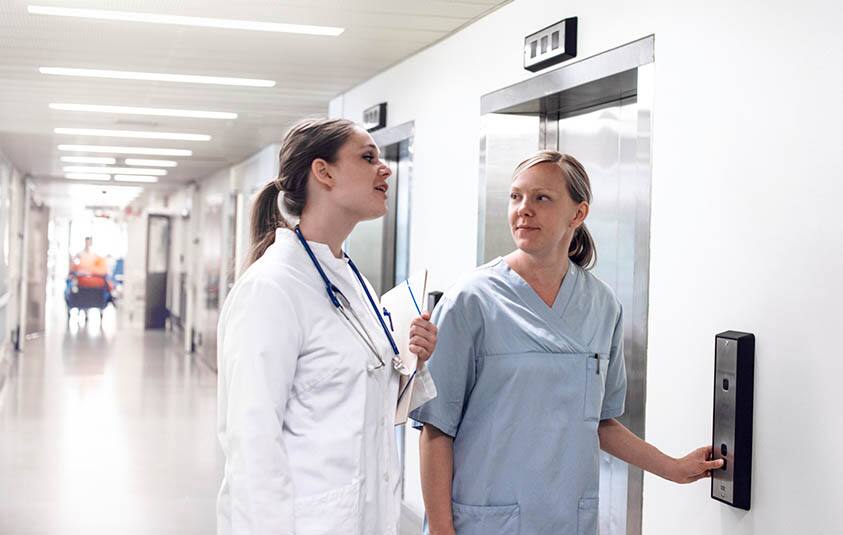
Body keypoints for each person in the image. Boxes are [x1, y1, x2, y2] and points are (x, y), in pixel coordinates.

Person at [411, 151, 722, 535]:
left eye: (541, 198)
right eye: (515, 197)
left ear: (578, 213)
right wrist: (441, 530)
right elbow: (436, 428)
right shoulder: (471, 299)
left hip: (568, 520)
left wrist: (673, 468)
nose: (523, 209)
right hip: (483, 520)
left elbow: (599, 422)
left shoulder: (602, 305)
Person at [216, 118, 438, 535]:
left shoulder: (353, 280)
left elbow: (360, 400)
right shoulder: (272, 287)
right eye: (368, 158)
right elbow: (252, 444)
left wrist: (413, 361)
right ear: (324, 172)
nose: (385, 169)